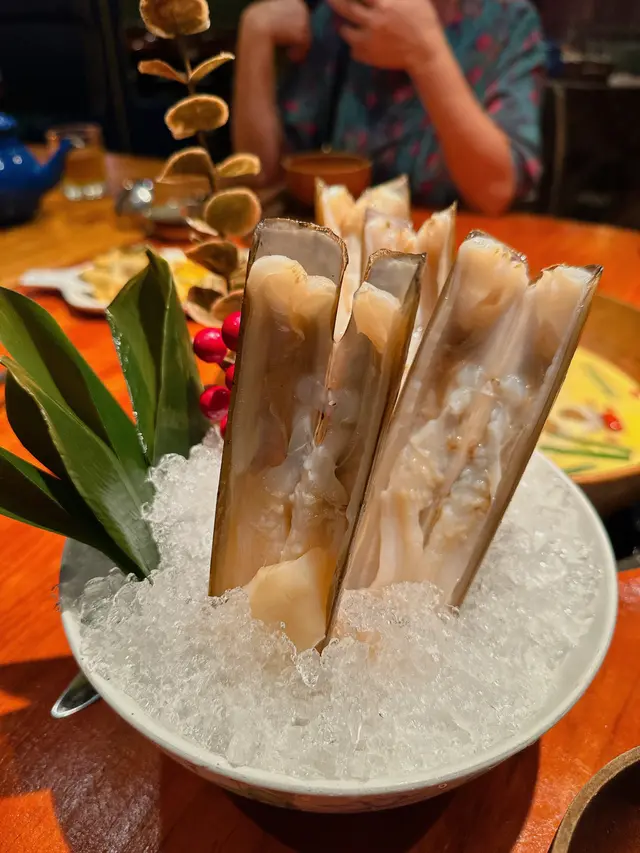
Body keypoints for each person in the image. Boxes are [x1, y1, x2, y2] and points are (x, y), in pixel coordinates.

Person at [232, 0, 546, 215]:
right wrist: (256, 32)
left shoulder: (507, 22)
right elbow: (260, 176)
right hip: (341, 261)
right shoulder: (337, 18)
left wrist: (426, 54)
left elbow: (495, 190)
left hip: (459, 259)